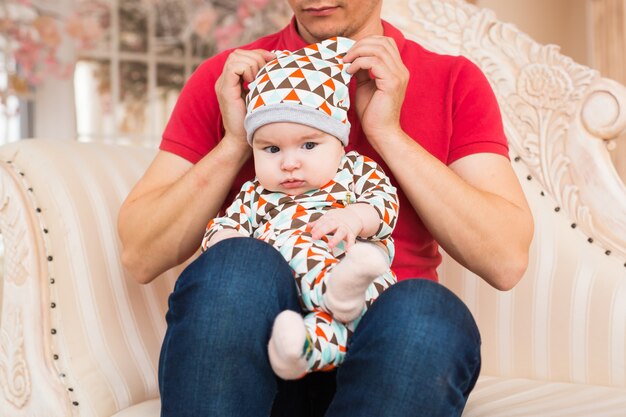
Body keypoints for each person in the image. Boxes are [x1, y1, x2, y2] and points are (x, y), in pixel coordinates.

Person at [118, 0, 534, 416]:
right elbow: (140, 254)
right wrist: (234, 141)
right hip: (261, 354)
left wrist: (388, 132)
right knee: (235, 265)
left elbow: (505, 259)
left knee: (430, 315)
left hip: (386, 351)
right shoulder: (231, 78)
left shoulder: (452, 79)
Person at [201, 36, 399, 381]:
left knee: (367, 293)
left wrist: (354, 217)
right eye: (271, 149)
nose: (289, 163)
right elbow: (222, 231)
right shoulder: (255, 194)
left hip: (362, 284)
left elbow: (384, 204)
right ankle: (310, 331)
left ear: (340, 142)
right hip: (293, 297)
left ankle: (319, 325)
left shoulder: (353, 169)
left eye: (308, 144)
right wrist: (229, 243)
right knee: (297, 281)